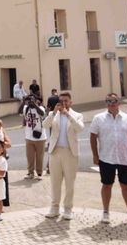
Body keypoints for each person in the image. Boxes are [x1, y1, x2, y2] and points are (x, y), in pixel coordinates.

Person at [90, 93, 127, 225]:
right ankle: (105, 212)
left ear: (118, 102)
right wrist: (95, 155)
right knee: (106, 185)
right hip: (107, 158)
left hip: (126, 158)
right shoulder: (98, 118)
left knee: (126, 186)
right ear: (106, 103)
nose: (111, 103)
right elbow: (93, 136)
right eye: (108, 101)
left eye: (114, 101)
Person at [42, 91, 84, 220]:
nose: (63, 103)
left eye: (66, 101)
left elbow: (80, 129)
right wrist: (54, 113)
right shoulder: (53, 114)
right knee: (55, 182)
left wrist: (68, 115)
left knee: (69, 183)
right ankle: (54, 208)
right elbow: (44, 125)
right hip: (55, 152)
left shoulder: (77, 115)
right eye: (61, 101)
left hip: (70, 152)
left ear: (70, 102)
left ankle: (68, 209)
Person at [23, 95, 46, 180]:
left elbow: (42, 114)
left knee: (39, 157)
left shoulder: (40, 108)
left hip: (40, 137)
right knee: (30, 157)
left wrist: (35, 105)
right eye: (29, 100)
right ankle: (30, 173)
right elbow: (20, 112)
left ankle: (39, 173)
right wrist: (24, 102)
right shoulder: (26, 108)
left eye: (32, 100)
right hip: (29, 137)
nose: (30, 102)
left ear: (36, 101)